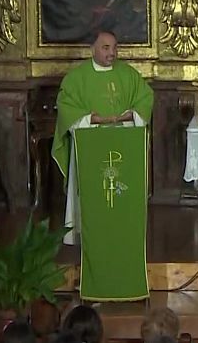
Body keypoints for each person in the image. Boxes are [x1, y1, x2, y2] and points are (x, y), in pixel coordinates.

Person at [51, 31, 153, 244]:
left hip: (123, 141)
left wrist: (131, 115)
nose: (112, 53)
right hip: (90, 141)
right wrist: (91, 119)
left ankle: (124, 229)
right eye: (106, 48)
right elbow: (66, 107)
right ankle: (88, 233)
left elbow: (146, 97)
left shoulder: (128, 74)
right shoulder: (76, 78)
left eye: (115, 47)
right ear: (93, 49)